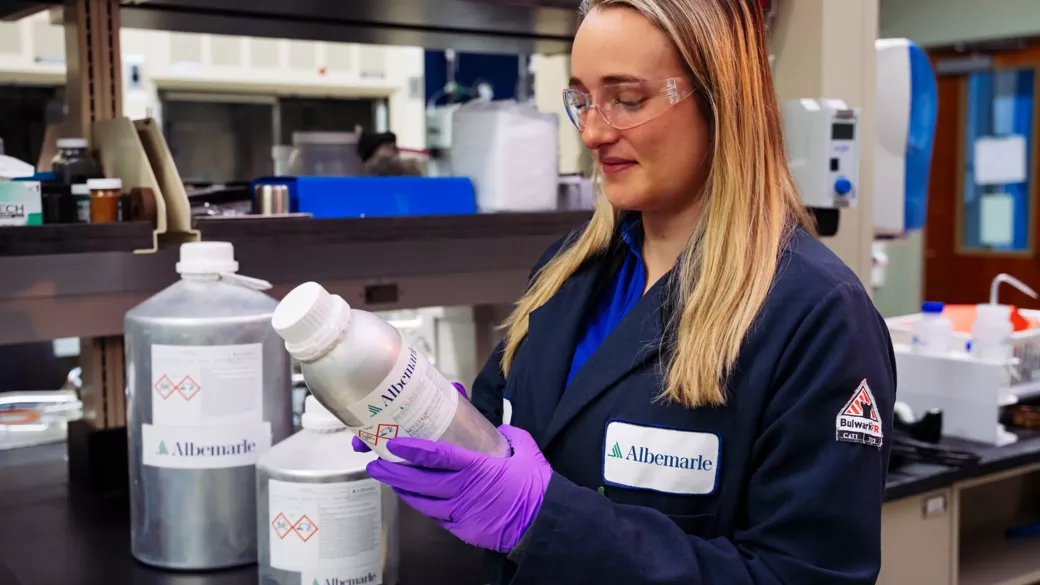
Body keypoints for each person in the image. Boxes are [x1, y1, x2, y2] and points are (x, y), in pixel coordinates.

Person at [355, 0, 896, 583]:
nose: (591, 131)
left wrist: (543, 520)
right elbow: (496, 431)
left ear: (720, 100)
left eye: (627, 100)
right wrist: (439, 424)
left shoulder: (816, 316)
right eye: (582, 99)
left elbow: (805, 576)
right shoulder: (566, 274)